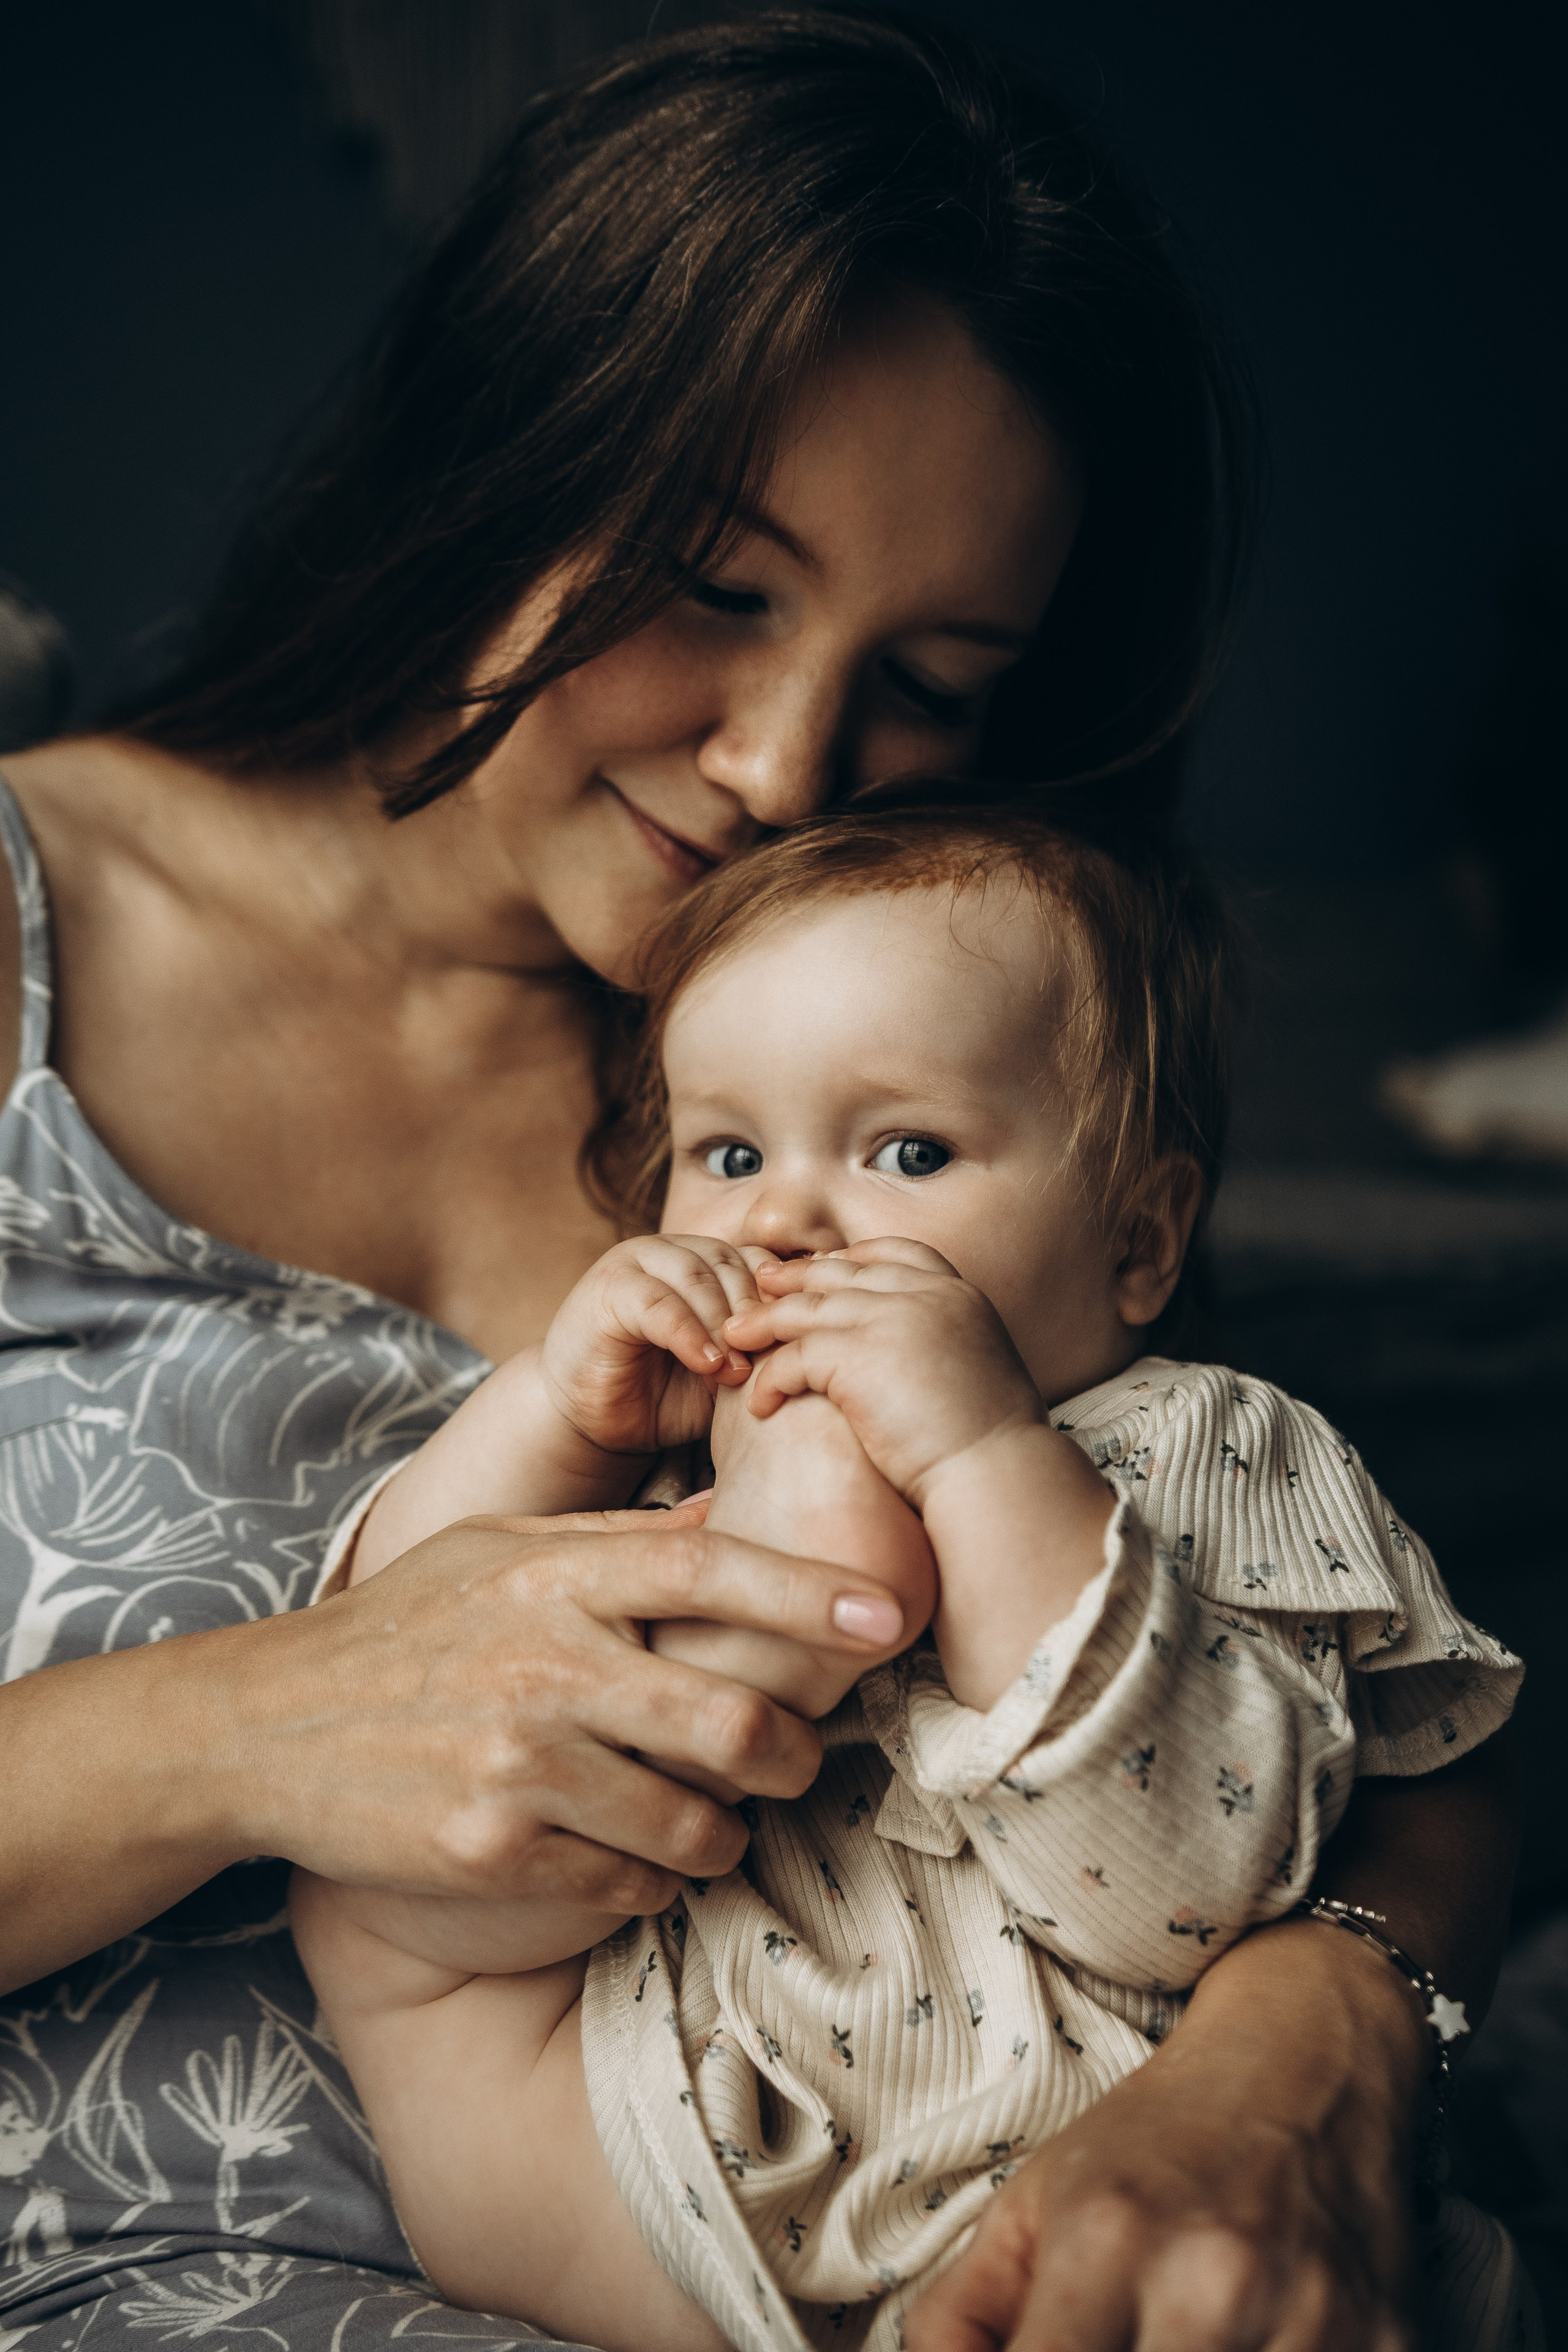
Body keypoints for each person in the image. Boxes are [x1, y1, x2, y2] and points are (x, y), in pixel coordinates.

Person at [0, 15, 1520, 2351]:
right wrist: (261, 1720)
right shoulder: (41, 918)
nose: (792, 766)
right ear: (504, 443)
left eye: (934, 680)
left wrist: (1299, 2053)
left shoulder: (917, 1063)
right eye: (715, 584)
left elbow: (1353, 1680)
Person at [289, 809, 1531, 2352]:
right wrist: (551, 1405)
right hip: (662, 2165)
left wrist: (978, 1458)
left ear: (1138, 1244)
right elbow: (387, 1668)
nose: (781, 1221)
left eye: (908, 1153)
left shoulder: (1203, 1445)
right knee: (363, 1880)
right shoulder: (662, 1457)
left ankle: (788, 1598)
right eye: (727, 1154)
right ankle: (779, 1602)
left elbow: (1181, 1898)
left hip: (1063, 2203)